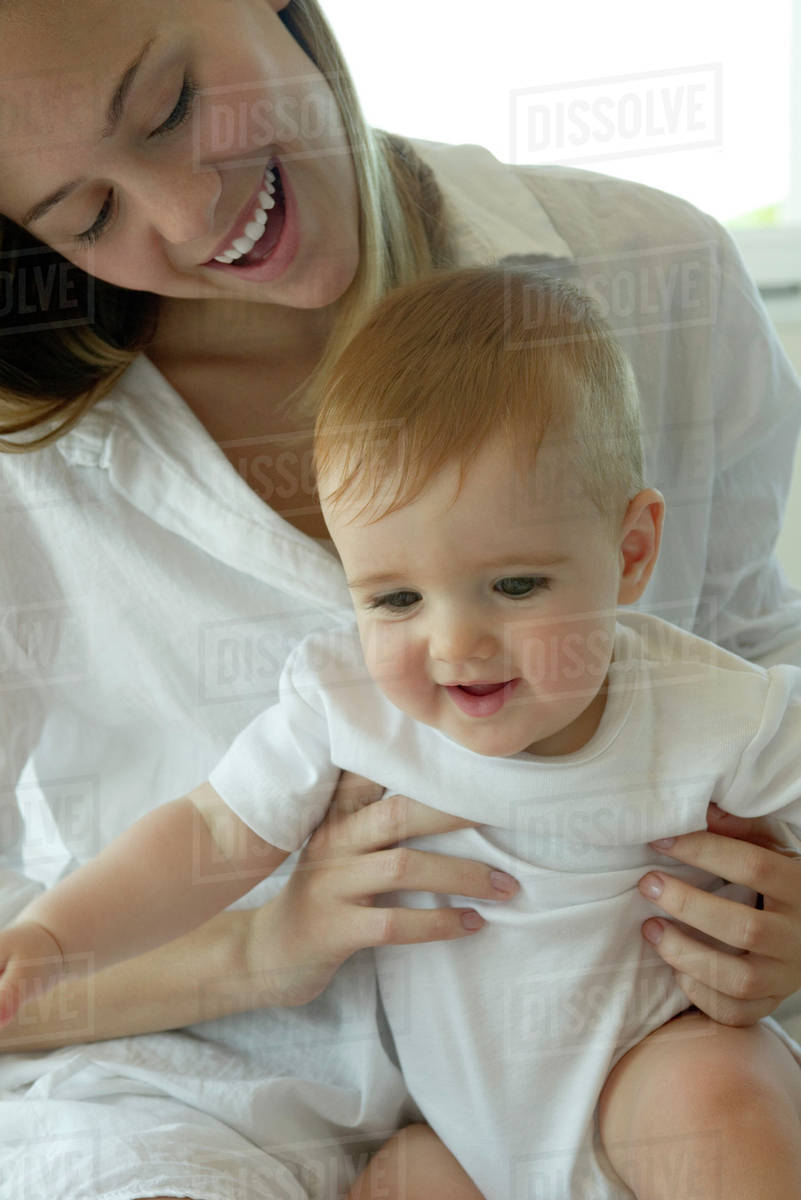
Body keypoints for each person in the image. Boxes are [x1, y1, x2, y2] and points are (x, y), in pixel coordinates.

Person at [0, 1, 800, 1197]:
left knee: (722, 1108)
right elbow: (214, 834)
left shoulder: (655, 269)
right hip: (203, 1095)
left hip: (643, 1042)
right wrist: (199, 949)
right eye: (90, 213)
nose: (182, 213)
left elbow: (756, 655)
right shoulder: (325, 692)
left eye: (169, 106)